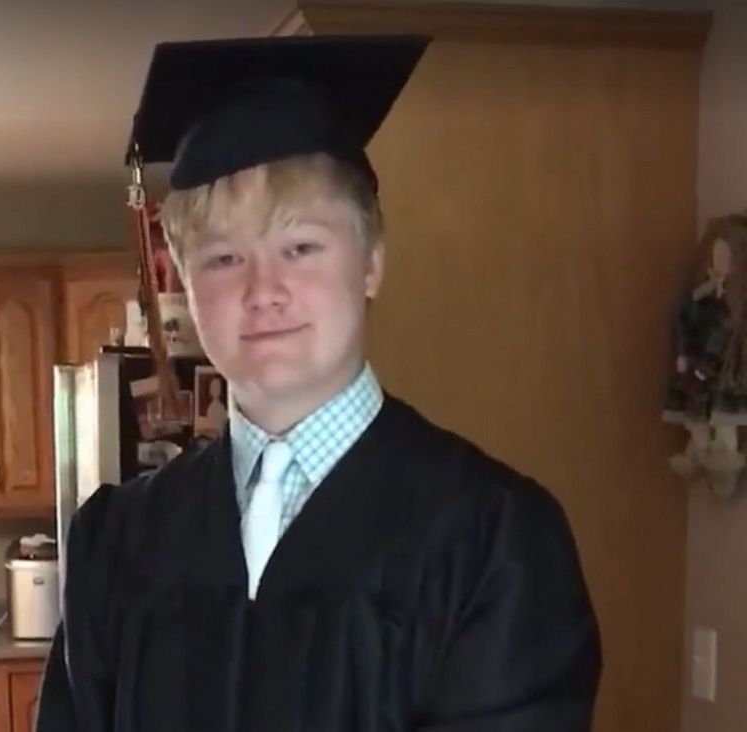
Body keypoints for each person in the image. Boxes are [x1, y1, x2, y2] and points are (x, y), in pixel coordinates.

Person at [38, 35, 601, 732]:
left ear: (370, 263)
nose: (261, 290)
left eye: (299, 247)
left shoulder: (493, 538)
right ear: (181, 282)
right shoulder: (116, 543)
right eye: (221, 259)